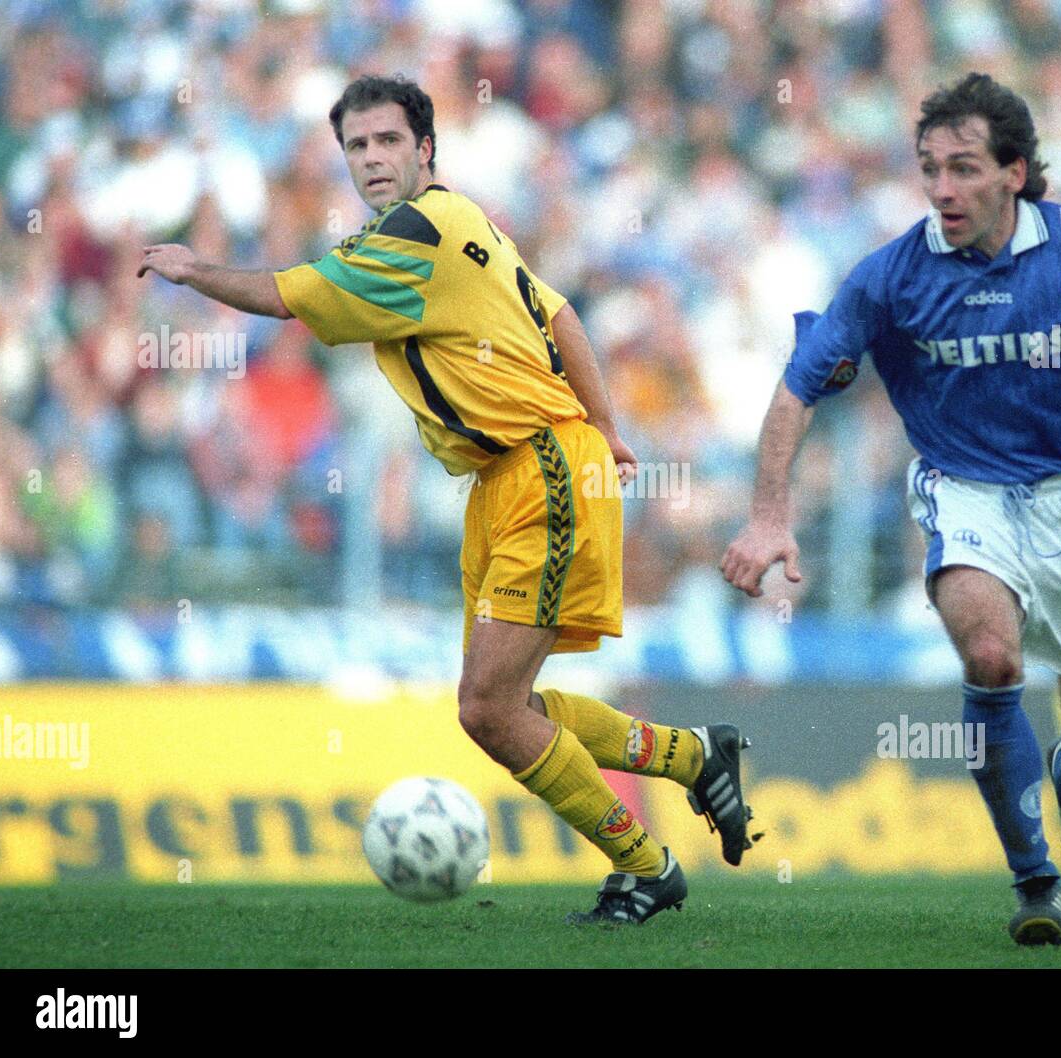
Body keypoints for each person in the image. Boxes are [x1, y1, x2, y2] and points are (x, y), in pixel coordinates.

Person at [139, 74, 755, 924]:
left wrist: (191, 269)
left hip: (539, 472)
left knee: (487, 709)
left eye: (389, 140)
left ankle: (647, 864)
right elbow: (563, 314)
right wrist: (607, 428)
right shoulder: (467, 225)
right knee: (507, 705)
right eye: (357, 146)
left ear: (425, 148)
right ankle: (694, 757)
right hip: (513, 478)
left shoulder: (414, 231)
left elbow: (286, 297)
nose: (372, 158)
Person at [720, 72, 1061, 945]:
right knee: (991, 659)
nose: (942, 189)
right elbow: (800, 385)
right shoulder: (892, 276)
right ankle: (1035, 881)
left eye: (962, 169)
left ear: (1015, 173)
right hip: (962, 489)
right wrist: (769, 514)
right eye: (929, 169)